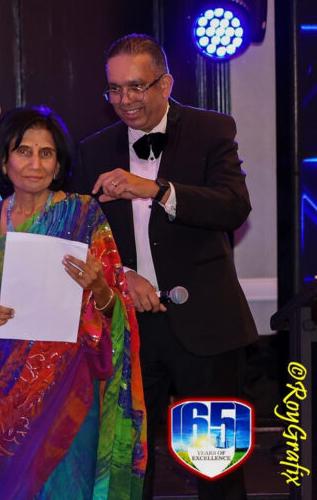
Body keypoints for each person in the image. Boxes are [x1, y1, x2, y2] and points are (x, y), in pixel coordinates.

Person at [71, 33, 256, 499]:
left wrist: (157, 190)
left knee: (215, 466)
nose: (124, 100)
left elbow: (234, 206)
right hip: (130, 330)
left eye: (136, 86)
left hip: (206, 328)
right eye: (114, 89)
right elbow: (83, 237)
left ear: (166, 84)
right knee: (130, 465)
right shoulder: (93, 149)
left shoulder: (211, 129)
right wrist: (123, 276)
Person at [0, 105, 147, 499]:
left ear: (59, 162)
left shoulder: (83, 214)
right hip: (5, 382)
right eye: (23, 151)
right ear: (4, 159)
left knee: (68, 482)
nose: (35, 163)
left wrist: (99, 287)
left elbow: (115, 309)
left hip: (70, 379)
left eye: (45, 153)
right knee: (13, 484)